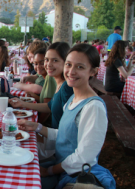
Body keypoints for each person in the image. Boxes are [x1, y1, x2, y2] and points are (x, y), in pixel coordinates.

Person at [16, 44, 116, 189]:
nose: (71, 71)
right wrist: (37, 127)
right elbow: (66, 136)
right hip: (62, 167)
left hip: (76, 175)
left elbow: (83, 158)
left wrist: (49, 170)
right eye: (69, 65)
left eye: (80, 67)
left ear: (93, 71)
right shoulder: (73, 98)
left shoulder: (93, 107)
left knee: (23, 182)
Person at [10, 42, 73, 129]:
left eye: (55, 60)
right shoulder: (59, 83)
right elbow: (49, 106)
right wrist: (22, 103)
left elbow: (68, 129)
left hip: (56, 137)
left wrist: (39, 127)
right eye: (47, 60)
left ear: (66, 62)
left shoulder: (67, 88)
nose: (49, 64)